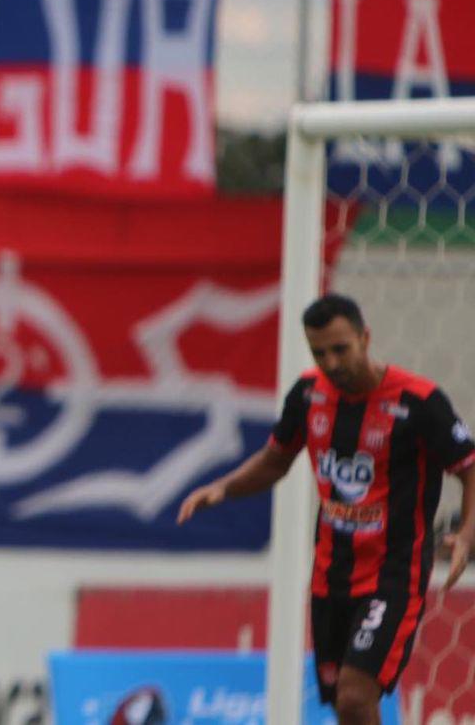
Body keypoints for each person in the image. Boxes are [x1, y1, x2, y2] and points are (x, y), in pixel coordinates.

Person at [178, 293, 475, 725]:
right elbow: (276, 458)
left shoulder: (418, 402)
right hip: (330, 576)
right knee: (343, 704)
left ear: (365, 337)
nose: (332, 363)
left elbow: (469, 466)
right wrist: (224, 489)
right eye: (320, 352)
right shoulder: (307, 396)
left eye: (341, 349)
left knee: (356, 695)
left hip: (393, 576)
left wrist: (466, 533)